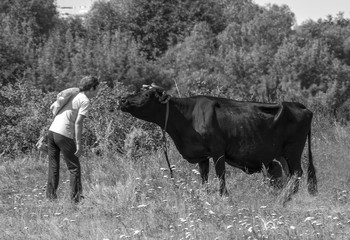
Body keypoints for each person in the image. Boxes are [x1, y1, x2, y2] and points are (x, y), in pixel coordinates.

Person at [46, 76, 99, 203]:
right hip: (64, 134)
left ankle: (50, 197)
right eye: (97, 89)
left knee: (53, 165)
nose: (98, 92)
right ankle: (75, 200)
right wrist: (79, 144)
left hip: (52, 131)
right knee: (74, 168)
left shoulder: (74, 95)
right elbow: (78, 123)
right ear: (92, 88)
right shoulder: (85, 100)